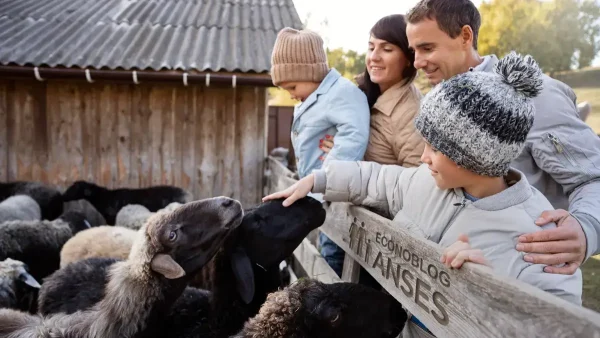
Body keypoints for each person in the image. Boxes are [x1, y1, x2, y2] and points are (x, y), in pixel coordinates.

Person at [264, 52, 582, 337]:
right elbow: (376, 178)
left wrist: (490, 291)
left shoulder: (539, 240)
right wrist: (318, 179)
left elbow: (556, 321)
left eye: (435, 147)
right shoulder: (426, 183)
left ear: (474, 156)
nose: (422, 156)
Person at [405, 0, 600, 275]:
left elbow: (592, 175)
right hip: (453, 276)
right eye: (414, 50)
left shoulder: (535, 98)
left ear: (465, 36)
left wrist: (587, 226)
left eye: (427, 48)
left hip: (524, 276)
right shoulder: (438, 99)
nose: (417, 62)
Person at [270, 27, 370, 276]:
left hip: (335, 194)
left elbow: (352, 139)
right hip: (319, 195)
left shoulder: (343, 94)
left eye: (292, 86)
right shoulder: (315, 96)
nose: (291, 95)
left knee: (333, 257)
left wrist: (325, 176)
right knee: (326, 246)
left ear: (310, 72)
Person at [319, 14, 425, 166]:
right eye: (371, 47)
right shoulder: (357, 94)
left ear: (409, 58)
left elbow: (416, 180)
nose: (374, 57)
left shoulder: (412, 114)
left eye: (387, 49)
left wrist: (351, 160)